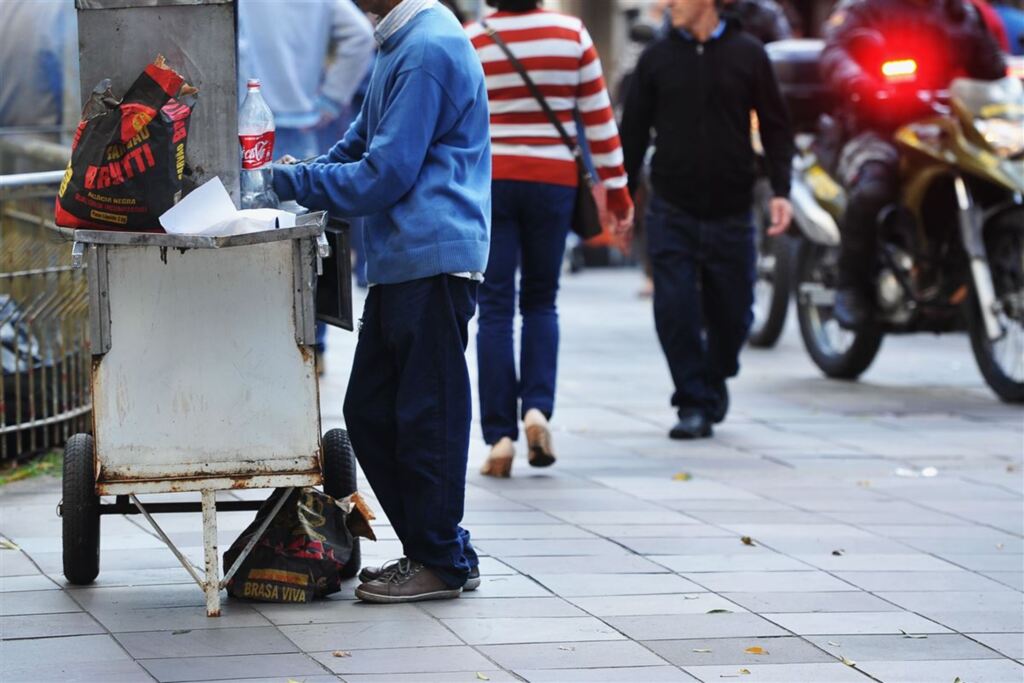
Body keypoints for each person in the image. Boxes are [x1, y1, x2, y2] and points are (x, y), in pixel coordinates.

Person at [272, 0, 490, 604]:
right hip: (404, 261)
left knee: (426, 417)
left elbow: (384, 174)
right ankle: (442, 549)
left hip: (434, 255)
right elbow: (357, 145)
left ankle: (438, 558)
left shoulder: (425, 49)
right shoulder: (400, 41)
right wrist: (294, 173)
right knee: (370, 410)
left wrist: (294, 182)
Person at [465, 0, 634, 477]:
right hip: (553, 183)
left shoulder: (474, 40)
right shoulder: (572, 36)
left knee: (495, 306)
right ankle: (536, 409)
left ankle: (499, 438)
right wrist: (618, 194)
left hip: (493, 181)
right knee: (541, 300)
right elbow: (600, 125)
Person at [621, 0, 794, 440]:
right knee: (674, 310)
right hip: (672, 209)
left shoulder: (749, 53)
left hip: (732, 212)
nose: (669, 5)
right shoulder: (656, 58)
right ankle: (692, 402)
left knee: (734, 317)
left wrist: (781, 191)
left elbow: (776, 125)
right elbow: (634, 133)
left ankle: (715, 376)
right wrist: (620, 196)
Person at [822, 0, 1006, 329]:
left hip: (942, 126)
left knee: (994, 182)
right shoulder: (866, 7)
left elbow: (992, 70)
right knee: (873, 189)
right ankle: (850, 286)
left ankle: (959, 270)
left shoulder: (958, 11)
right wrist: (859, 82)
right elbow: (835, 53)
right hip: (876, 125)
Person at [238, 0, 375, 362]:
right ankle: (312, 344)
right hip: (301, 124)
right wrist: (329, 100)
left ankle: (259, 338)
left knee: (247, 234)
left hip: (245, 124)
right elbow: (360, 35)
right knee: (307, 238)